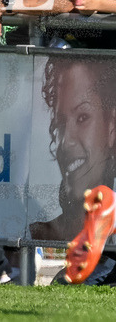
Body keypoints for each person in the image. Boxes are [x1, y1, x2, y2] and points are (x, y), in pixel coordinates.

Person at [30, 57, 116, 242]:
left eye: (82, 118)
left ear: (111, 127)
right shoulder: (36, 235)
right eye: (60, 123)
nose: (65, 142)